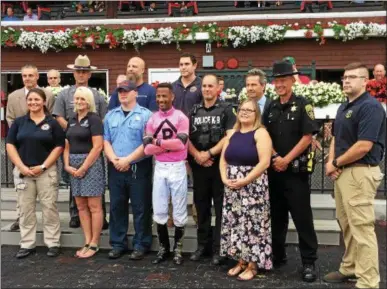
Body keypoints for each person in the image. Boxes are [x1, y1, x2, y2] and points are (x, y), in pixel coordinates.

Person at [323, 62, 386, 289]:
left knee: (361, 227)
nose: (346, 81)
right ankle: (350, 267)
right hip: (343, 173)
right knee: (347, 224)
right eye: (344, 77)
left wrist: (336, 163)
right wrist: (331, 163)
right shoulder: (344, 107)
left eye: (353, 77)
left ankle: (369, 281)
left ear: (365, 81)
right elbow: (335, 139)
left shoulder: (370, 107)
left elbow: (364, 145)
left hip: (360, 172)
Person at [262, 60, 319, 282]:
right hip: (275, 170)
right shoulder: (271, 106)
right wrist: (276, 157)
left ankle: (309, 262)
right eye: (276, 80)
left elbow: (307, 137)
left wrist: (286, 159)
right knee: (276, 217)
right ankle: (278, 255)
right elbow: (265, 134)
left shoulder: (303, 104)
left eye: (283, 80)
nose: (279, 84)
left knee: (302, 218)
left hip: (296, 172)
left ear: (292, 80)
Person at [6, 88, 65, 259]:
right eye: (30, 100)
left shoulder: (52, 123)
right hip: (24, 172)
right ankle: (27, 244)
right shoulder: (19, 122)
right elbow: (10, 145)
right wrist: (21, 166)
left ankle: (53, 243)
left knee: (49, 208)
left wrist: (44, 166)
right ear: (26, 102)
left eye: (37, 100)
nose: (33, 103)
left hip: (46, 172)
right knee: (25, 210)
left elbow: (59, 146)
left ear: (44, 102)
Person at [53, 55, 108, 230]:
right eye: (78, 71)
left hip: (93, 146)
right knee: (74, 181)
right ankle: (75, 214)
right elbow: (59, 116)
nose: (81, 75)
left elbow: (103, 117)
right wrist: (72, 128)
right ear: (74, 73)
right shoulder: (64, 94)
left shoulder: (98, 96)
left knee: (96, 184)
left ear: (90, 74)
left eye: (85, 71)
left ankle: (101, 216)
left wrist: (90, 131)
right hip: (73, 144)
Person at [220, 99, 272, 281]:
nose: (244, 113)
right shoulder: (232, 133)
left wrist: (245, 180)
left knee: (253, 225)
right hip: (232, 186)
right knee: (236, 224)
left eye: (249, 110)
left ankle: (253, 264)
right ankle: (241, 260)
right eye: (241, 110)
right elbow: (223, 159)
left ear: (256, 114)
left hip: (253, 186)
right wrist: (224, 178)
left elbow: (265, 162)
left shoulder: (261, 133)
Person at [188, 74, 236, 265]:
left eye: (210, 86)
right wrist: (198, 156)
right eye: (204, 86)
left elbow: (229, 136)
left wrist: (208, 154)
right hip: (199, 166)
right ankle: (203, 246)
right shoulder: (193, 111)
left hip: (219, 166)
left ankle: (219, 249)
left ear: (218, 89)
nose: (207, 89)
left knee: (220, 208)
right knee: (201, 207)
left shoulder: (227, 110)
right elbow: (186, 137)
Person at [104, 80, 153, 260]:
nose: (123, 94)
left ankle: (141, 244)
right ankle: (118, 244)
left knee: (141, 207)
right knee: (117, 207)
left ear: (135, 93)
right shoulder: (111, 116)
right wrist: (115, 159)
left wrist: (128, 160)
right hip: (116, 166)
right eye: (120, 91)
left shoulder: (147, 115)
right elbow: (106, 140)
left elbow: (147, 143)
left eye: (126, 91)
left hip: (138, 167)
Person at [143, 82, 189, 265]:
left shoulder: (181, 117)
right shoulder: (153, 118)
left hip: (178, 166)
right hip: (160, 167)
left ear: (172, 97)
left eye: (164, 96)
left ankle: (178, 248)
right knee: (160, 208)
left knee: (179, 208)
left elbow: (181, 144)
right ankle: (164, 248)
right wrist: (167, 145)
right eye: (158, 97)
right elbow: (146, 149)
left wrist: (157, 142)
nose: (161, 99)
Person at [6, 64, 55, 232]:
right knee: (22, 189)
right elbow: (10, 118)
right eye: (24, 76)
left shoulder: (48, 95)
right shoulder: (13, 96)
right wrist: (23, 133)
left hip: (43, 150)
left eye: (31, 75)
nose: (27, 78)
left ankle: (50, 233)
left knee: (48, 200)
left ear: (37, 77)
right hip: (20, 149)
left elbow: (51, 118)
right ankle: (20, 219)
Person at [64, 87, 105, 258]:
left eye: (82, 99)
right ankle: (87, 241)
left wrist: (84, 167)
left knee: (94, 206)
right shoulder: (71, 119)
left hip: (91, 165)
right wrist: (66, 165)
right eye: (77, 98)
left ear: (89, 101)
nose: (79, 102)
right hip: (73, 165)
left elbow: (98, 147)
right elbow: (66, 145)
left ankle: (95, 243)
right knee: (80, 206)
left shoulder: (94, 120)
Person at [172, 53, 203, 226]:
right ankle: (172, 216)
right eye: (180, 64)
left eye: (186, 64)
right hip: (175, 141)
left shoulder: (200, 86)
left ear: (194, 65)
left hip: (195, 139)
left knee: (197, 180)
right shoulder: (173, 87)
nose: (183, 67)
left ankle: (197, 214)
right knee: (174, 180)